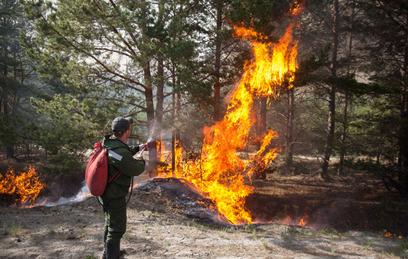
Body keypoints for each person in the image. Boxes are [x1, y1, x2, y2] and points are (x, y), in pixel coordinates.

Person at [100, 116, 147, 259]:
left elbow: (122, 154)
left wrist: (138, 148)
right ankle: (111, 256)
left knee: (110, 223)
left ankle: (108, 253)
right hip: (114, 194)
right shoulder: (118, 152)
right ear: (127, 131)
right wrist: (140, 159)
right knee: (117, 228)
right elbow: (134, 168)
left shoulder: (110, 144)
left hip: (106, 192)